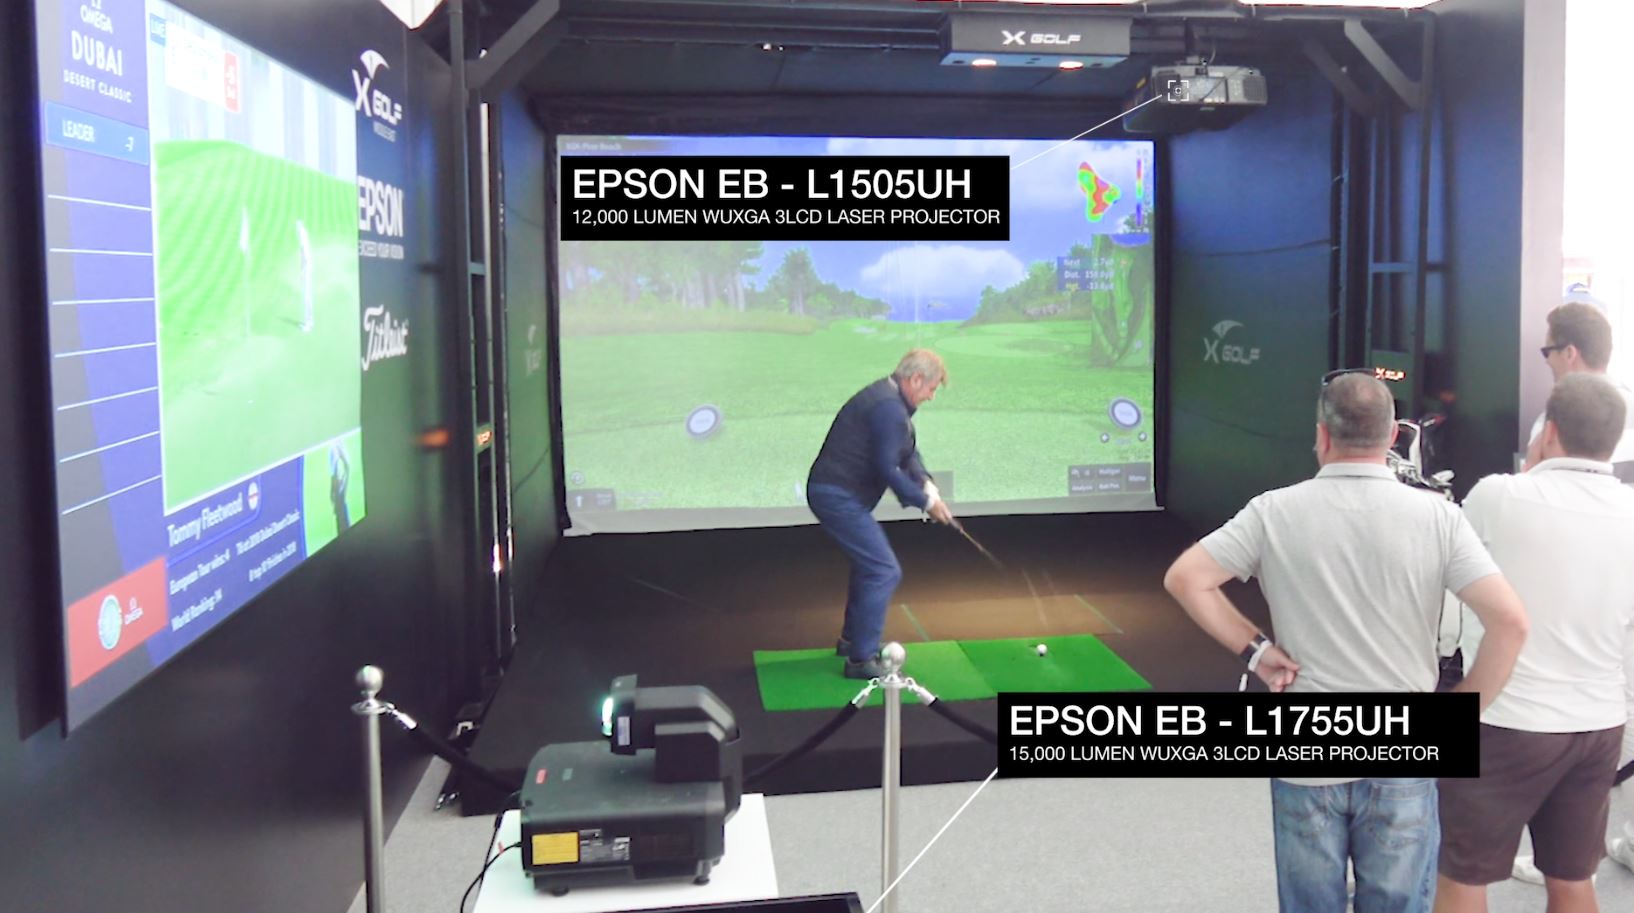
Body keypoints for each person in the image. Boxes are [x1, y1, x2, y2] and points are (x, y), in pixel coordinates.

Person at [1164, 371, 1528, 913]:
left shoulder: (1273, 511)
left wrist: (1257, 653)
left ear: (1322, 435)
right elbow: (1511, 623)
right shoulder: (1439, 516)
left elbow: (1186, 578)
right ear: (1393, 436)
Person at [1440, 374, 1634, 913]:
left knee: (1463, 878)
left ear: (1548, 432)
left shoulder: (1500, 495)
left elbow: (1453, 580)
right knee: (1573, 880)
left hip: (1507, 721)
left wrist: (1532, 465)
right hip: (1598, 725)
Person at [807, 349, 953, 679]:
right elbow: (888, 467)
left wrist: (927, 484)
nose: (931, 396)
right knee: (884, 570)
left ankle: (852, 642)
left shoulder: (891, 399)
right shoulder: (888, 406)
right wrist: (925, 503)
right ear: (915, 379)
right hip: (836, 494)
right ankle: (861, 660)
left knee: (870, 565)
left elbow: (907, 452)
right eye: (931, 389)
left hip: (839, 492)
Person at [1527, 303, 1634, 479]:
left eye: (1547, 352)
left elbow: (1534, 488)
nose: (1547, 361)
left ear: (1569, 353)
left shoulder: (1554, 421)